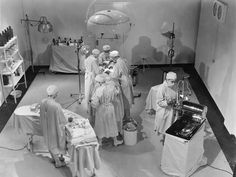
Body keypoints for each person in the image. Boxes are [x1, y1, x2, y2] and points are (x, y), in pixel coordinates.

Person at [90, 74, 123, 147]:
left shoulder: (99, 90)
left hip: (101, 108)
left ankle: (100, 141)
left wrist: (92, 104)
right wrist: (117, 87)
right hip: (110, 107)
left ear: (100, 83)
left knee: (101, 124)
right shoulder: (112, 88)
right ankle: (115, 141)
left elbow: (94, 102)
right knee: (111, 123)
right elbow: (117, 93)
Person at [40, 85, 67, 168]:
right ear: (55, 94)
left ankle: (53, 158)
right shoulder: (56, 105)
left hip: (46, 126)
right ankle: (58, 162)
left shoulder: (42, 102)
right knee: (55, 144)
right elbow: (62, 120)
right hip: (54, 128)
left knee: (49, 143)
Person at [154, 72, 178, 144]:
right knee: (165, 126)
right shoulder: (162, 88)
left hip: (172, 109)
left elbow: (176, 94)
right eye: (172, 82)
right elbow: (159, 101)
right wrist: (167, 103)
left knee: (171, 124)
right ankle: (165, 140)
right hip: (164, 110)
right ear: (167, 80)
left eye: (174, 81)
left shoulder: (175, 86)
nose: (173, 83)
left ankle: (168, 138)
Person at [110, 50, 134, 119]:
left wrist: (109, 72)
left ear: (114, 58)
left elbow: (115, 76)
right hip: (128, 79)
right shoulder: (124, 60)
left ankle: (126, 117)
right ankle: (127, 116)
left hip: (123, 82)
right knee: (128, 99)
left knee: (125, 100)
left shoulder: (117, 64)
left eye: (112, 58)